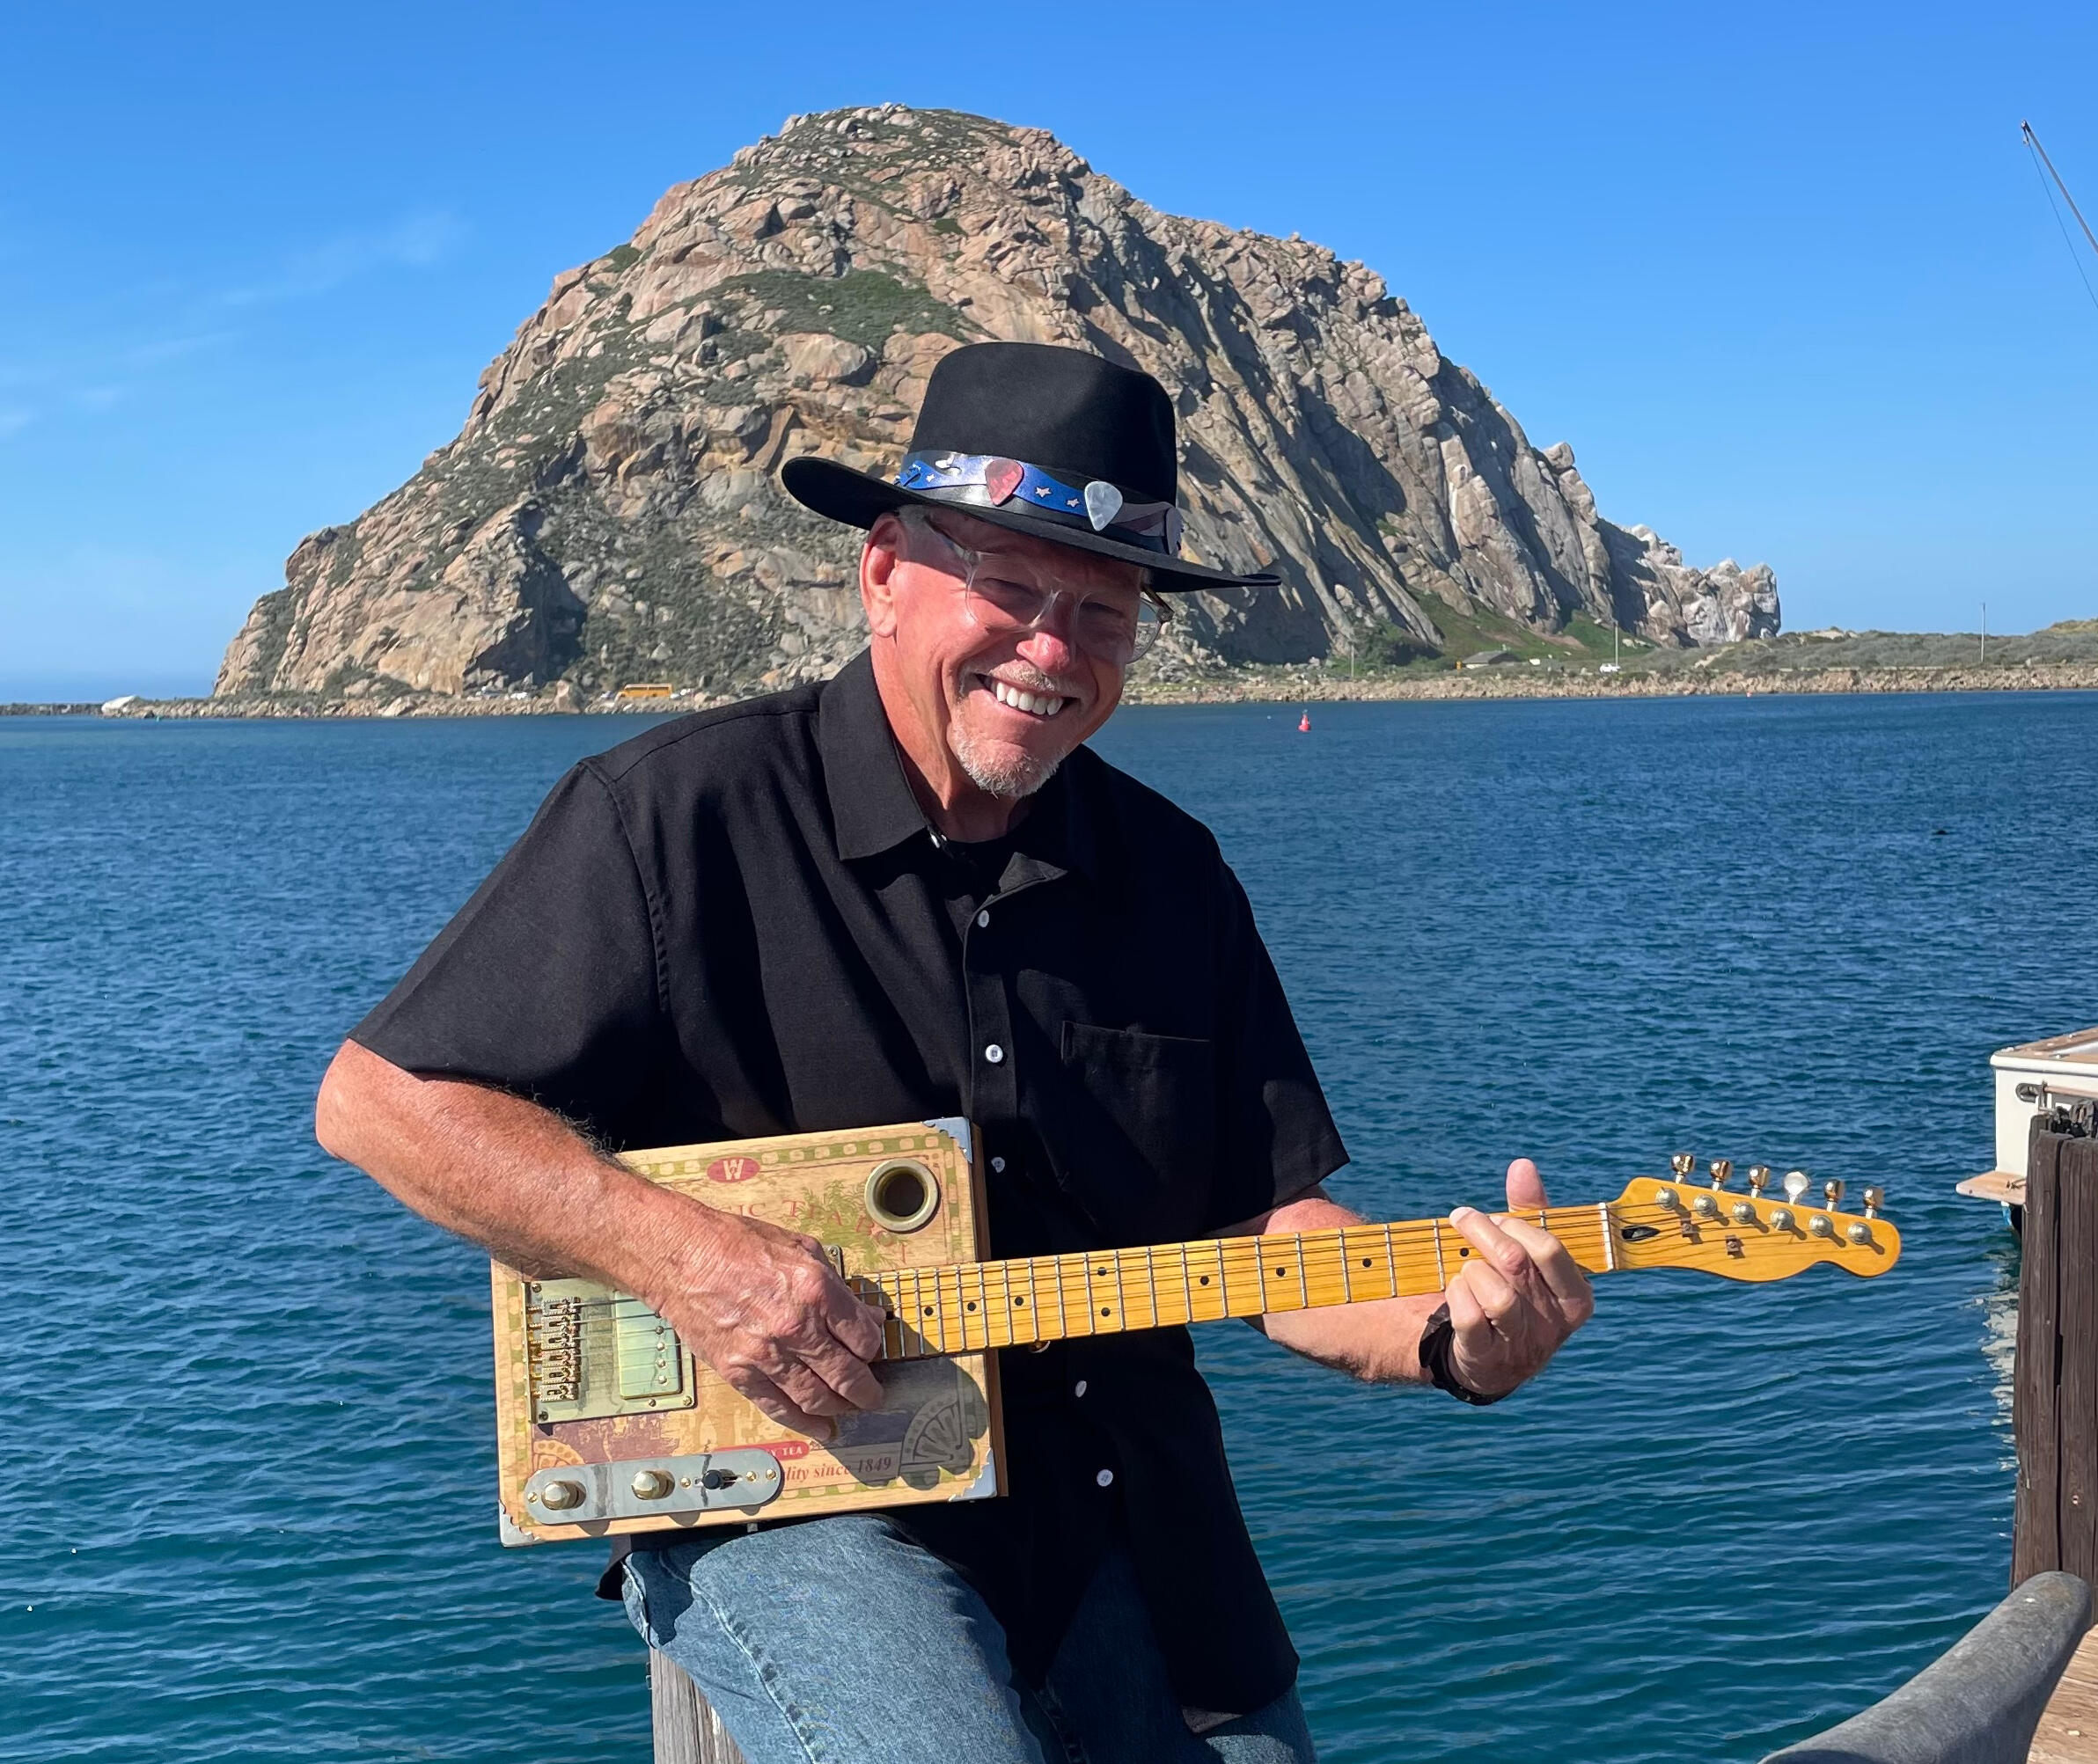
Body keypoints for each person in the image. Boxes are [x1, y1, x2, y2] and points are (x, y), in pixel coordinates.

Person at [314, 341, 1594, 1764]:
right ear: (882, 571)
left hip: (1132, 1516)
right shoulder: (674, 817)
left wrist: (1453, 1338)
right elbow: (382, 1103)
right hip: (798, 1513)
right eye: (1009, 586)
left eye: (1103, 612)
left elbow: (1262, 1223)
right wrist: (690, 1259)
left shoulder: (1175, 878)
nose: (1052, 650)